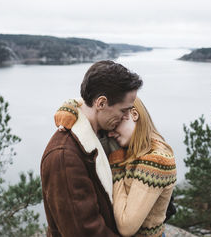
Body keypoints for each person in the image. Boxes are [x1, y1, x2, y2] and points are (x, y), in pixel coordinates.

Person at [40, 60, 143, 237]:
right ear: (101, 103)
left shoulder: (105, 135)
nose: (128, 117)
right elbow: (85, 232)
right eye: (123, 111)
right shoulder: (64, 157)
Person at [55, 97, 177, 237]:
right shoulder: (135, 149)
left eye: (115, 125)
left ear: (134, 114)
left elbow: (126, 227)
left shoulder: (155, 159)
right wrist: (69, 108)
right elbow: (91, 101)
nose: (110, 134)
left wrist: (116, 163)